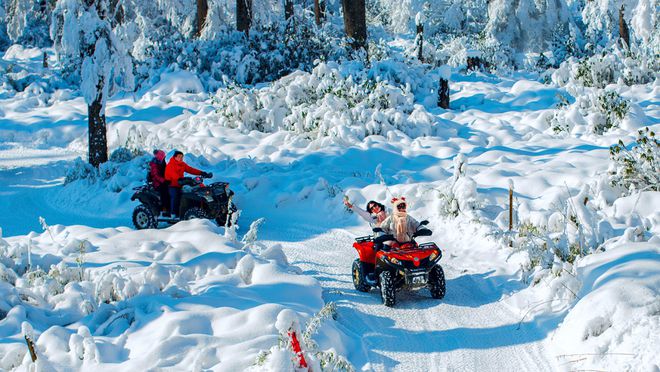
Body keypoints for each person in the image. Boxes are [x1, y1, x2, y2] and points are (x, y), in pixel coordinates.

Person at [164, 151, 212, 218]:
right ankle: (173, 213)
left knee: (193, 192)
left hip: (181, 184)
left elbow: (191, 170)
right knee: (175, 196)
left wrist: (202, 173)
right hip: (172, 185)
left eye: (182, 157)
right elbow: (174, 176)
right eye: (179, 157)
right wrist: (185, 180)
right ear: (175, 157)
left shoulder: (182, 164)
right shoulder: (170, 165)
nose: (181, 158)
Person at [148, 150, 170, 215]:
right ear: (160, 156)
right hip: (157, 183)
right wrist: (164, 181)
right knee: (165, 192)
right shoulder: (154, 164)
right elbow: (156, 175)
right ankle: (165, 209)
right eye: (163, 156)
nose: (164, 158)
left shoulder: (162, 162)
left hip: (163, 181)